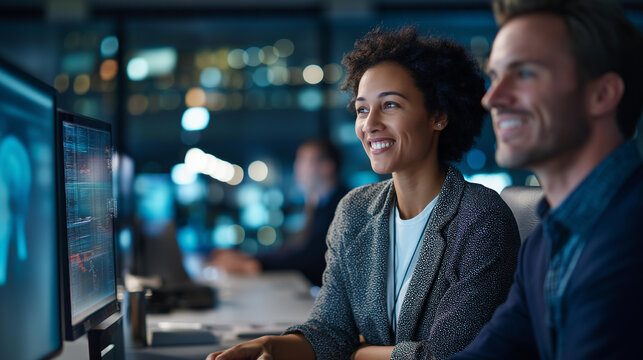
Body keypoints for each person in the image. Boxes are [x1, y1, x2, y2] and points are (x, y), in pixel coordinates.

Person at [206, 26, 520, 360]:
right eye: (362, 109)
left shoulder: (480, 218)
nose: (369, 124)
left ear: (439, 115)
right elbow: (329, 332)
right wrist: (269, 345)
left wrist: (357, 354)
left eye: (390, 105)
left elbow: (446, 355)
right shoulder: (355, 210)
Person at [449, 0, 643, 359]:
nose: (493, 98)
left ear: (601, 94)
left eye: (524, 73)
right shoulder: (546, 239)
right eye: (494, 76)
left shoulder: (631, 236)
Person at [209, 138, 349, 287]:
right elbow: (297, 250)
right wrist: (247, 257)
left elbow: (312, 258)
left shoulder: (342, 206)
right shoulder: (321, 204)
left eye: (303, 161)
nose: (297, 168)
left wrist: (253, 264)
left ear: (327, 166)